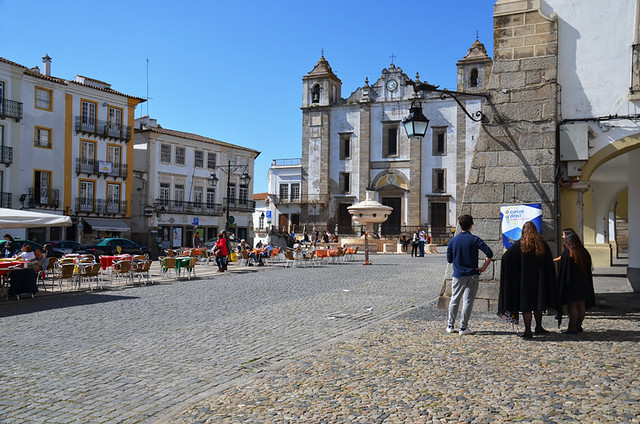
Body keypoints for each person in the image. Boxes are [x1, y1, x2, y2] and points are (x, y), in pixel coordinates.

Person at [498, 221, 557, 339]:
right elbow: (548, 263)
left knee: (527, 306)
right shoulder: (542, 244)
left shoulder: (520, 245)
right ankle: (539, 327)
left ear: (523, 231)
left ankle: (528, 330)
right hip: (539, 281)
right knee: (538, 304)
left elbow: (506, 257)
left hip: (525, 281)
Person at [446, 214, 493, 335]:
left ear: (460, 225)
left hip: (458, 274)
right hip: (472, 273)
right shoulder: (475, 239)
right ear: (471, 225)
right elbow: (489, 253)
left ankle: (450, 325)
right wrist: (483, 267)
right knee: (468, 301)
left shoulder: (453, 241)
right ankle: (463, 327)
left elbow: (449, 259)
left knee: (454, 299)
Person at [557, 231, 595, 335]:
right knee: (581, 305)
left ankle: (572, 327)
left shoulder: (568, 253)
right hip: (583, 283)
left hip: (572, 284)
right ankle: (578, 325)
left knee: (573, 306)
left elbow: (564, 270)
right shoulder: (583, 252)